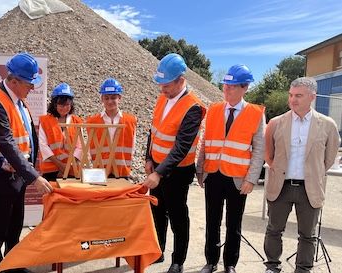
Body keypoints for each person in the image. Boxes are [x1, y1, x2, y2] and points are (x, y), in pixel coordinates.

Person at [0, 52, 53, 273]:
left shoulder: (18, 100)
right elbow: (6, 142)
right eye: (29, 84)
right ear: (13, 81)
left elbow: (27, 134)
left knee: (15, 223)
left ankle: (14, 263)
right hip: (1, 176)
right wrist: (34, 176)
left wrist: (29, 169)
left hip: (17, 174)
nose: (33, 88)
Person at [263, 77, 340, 273]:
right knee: (274, 230)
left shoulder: (328, 125)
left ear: (312, 97)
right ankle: (272, 266)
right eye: (291, 95)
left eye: (298, 95)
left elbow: (329, 158)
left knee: (307, 235)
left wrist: (313, 173)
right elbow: (268, 154)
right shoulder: (276, 122)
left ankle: (303, 269)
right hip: (281, 186)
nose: (292, 99)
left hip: (309, 189)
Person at [196, 64, 265, 273]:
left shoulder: (255, 113)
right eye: (225, 85)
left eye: (232, 86)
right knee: (212, 221)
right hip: (213, 175)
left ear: (245, 88)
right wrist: (200, 170)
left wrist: (251, 179)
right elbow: (205, 141)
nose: (227, 89)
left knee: (233, 224)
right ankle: (211, 261)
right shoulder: (214, 109)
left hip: (237, 178)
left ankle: (230, 264)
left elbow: (259, 150)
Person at [142, 53, 206, 273]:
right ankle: (158, 250)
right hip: (157, 166)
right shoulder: (163, 98)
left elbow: (181, 147)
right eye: (160, 85)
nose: (162, 89)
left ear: (181, 80)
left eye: (166, 85)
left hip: (178, 172)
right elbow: (154, 131)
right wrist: (149, 158)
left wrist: (158, 173)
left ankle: (177, 260)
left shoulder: (193, 107)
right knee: (157, 211)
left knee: (178, 216)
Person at [86, 78, 137, 178]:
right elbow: (88, 147)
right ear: (102, 99)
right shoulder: (92, 122)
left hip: (122, 171)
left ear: (119, 98)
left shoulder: (130, 120)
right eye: (106, 98)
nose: (110, 101)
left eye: (113, 98)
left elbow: (133, 146)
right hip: (100, 172)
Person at [38, 83, 83, 181]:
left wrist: (68, 165)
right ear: (54, 104)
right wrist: (60, 165)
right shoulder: (45, 121)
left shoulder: (77, 121)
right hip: (51, 170)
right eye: (61, 104)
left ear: (71, 104)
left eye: (67, 104)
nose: (64, 108)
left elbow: (80, 146)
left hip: (71, 169)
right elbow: (43, 146)